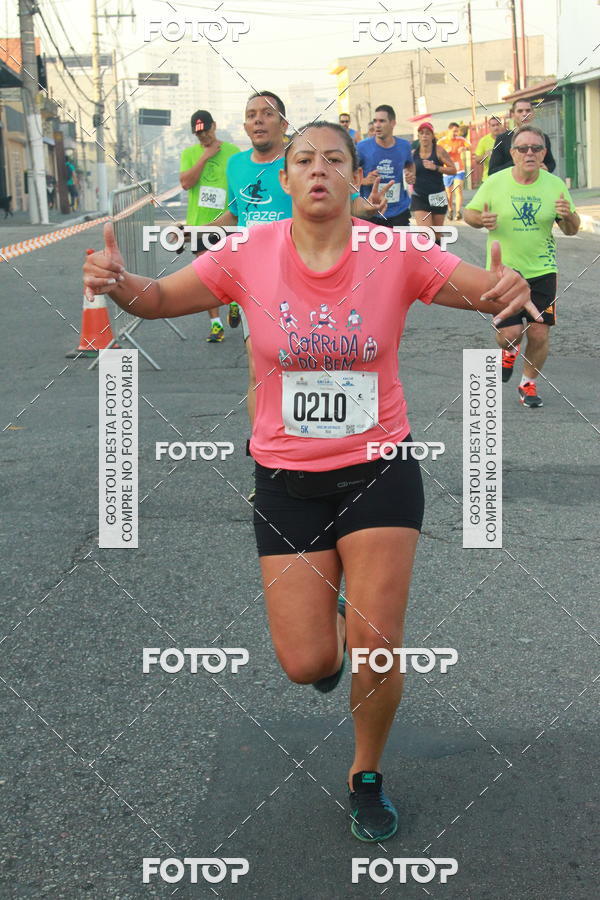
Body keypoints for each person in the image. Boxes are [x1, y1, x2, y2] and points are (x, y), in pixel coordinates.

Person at [84, 120, 535, 843]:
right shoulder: (246, 252)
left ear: (356, 178)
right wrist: (119, 284)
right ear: (285, 181)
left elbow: (491, 293)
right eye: (304, 160)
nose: (319, 170)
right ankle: (332, 647)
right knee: (307, 662)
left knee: (378, 641)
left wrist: (510, 290)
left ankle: (365, 773)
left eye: (334, 159)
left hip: (378, 467)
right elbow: (160, 300)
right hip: (286, 477)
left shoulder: (393, 250)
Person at [206, 91, 389, 500]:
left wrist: (367, 210)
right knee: (259, 372)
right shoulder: (237, 166)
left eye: (266, 115)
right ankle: (268, 462)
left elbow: (337, 203)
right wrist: (200, 232)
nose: (257, 121)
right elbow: (234, 213)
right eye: (250, 115)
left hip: (309, 274)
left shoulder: (301, 160)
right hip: (256, 279)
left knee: (318, 365)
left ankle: (333, 452)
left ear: (282, 124)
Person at [464, 125, 580, 407]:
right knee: (509, 335)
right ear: (513, 153)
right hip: (503, 271)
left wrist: (566, 218)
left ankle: (528, 383)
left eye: (536, 148)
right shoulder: (496, 182)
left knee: (540, 331)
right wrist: (482, 221)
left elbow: (572, 229)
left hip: (542, 270)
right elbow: (469, 213)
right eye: (523, 148)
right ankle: (509, 349)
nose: (530, 153)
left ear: (544, 154)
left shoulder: (555, 185)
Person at [179, 109, 240, 342]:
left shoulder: (233, 152)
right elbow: (186, 183)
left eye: (206, 132)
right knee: (207, 275)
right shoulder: (190, 153)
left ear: (214, 126)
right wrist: (205, 156)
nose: (203, 137)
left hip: (228, 221)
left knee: (232, 269)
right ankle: (215, 325)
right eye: (199, 135)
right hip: (200, 224)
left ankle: (234, 302)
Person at [356, 104, 416, 227]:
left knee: (402, 246)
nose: (377, 125)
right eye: (375, 121)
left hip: (399, 211)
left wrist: (411, 175)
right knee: (369, 247)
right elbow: (348, 174)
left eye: (382, 121)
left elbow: (410, 164)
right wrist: (363, 180)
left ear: (393, 123)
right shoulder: (362, 147)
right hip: (370, 211)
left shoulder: (404, 146)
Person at [488, 99, 556, 176]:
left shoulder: (542, 137)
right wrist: (519, 162)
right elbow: (492, 171)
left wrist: (547, 168)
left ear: (533, 113)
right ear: (513, 115)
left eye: (528, 111)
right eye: (520, 111)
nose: (525, 114)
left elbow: (551, 163)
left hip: (537, 184)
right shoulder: (502, 139)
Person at [410, 121, 456, 231]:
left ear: (432, 136)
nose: (424, 136)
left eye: (427, 133)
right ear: (419, 136)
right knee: (426, 234)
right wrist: (409, 177)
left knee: (437, 234)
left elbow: (453, 170)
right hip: (420, 196)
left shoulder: (439, 151)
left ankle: (438, 247)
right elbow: (410, 173)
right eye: (421, 133)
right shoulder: (413, 153)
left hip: (438, 196)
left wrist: (436, 167)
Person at [437, 122, 470, 220]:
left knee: (458, 189)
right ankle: (450, 209)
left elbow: (470, 146)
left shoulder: (461, 139)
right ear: (449, 130)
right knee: (448, 193)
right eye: (454, 131)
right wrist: (444, 151)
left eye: (457, 131)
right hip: (447, 170)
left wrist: (464, 148)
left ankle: (459, 212)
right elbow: (436, 152)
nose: (456, 133)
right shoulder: (442, 141)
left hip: (458, 169)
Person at [473, 116, 504, 182]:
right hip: (489, 178)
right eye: (493, 125)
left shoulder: (508, 138)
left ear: (501, 125)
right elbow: (477, 160)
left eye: (498, 125)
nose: (496, 127)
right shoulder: (483, 140)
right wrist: (485, 156)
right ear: (489, 127)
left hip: (505, 178)